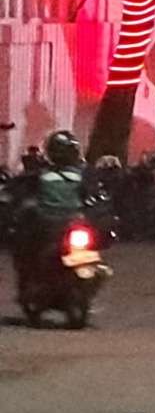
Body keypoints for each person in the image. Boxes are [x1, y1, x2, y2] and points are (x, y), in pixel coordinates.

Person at [10, 130, 86, 307]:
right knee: (25, 247)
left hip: (58, 225)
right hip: (61, 225)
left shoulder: (41, 175)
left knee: (24, 247)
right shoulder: (78, 175)